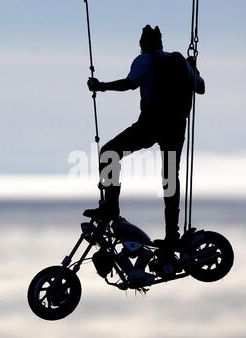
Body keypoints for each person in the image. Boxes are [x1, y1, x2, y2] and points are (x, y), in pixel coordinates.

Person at [84, 25, 205, 249]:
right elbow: (201, 88)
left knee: (109, 153)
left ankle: (111, 207)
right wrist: (193, 70)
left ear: (144, 43)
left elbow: (128, 84)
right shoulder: (181, 63)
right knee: (170, 177)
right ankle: (172, 235)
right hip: (176, 126)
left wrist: (100, 86)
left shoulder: (145, 60)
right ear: (161, 41)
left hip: (152, 123)